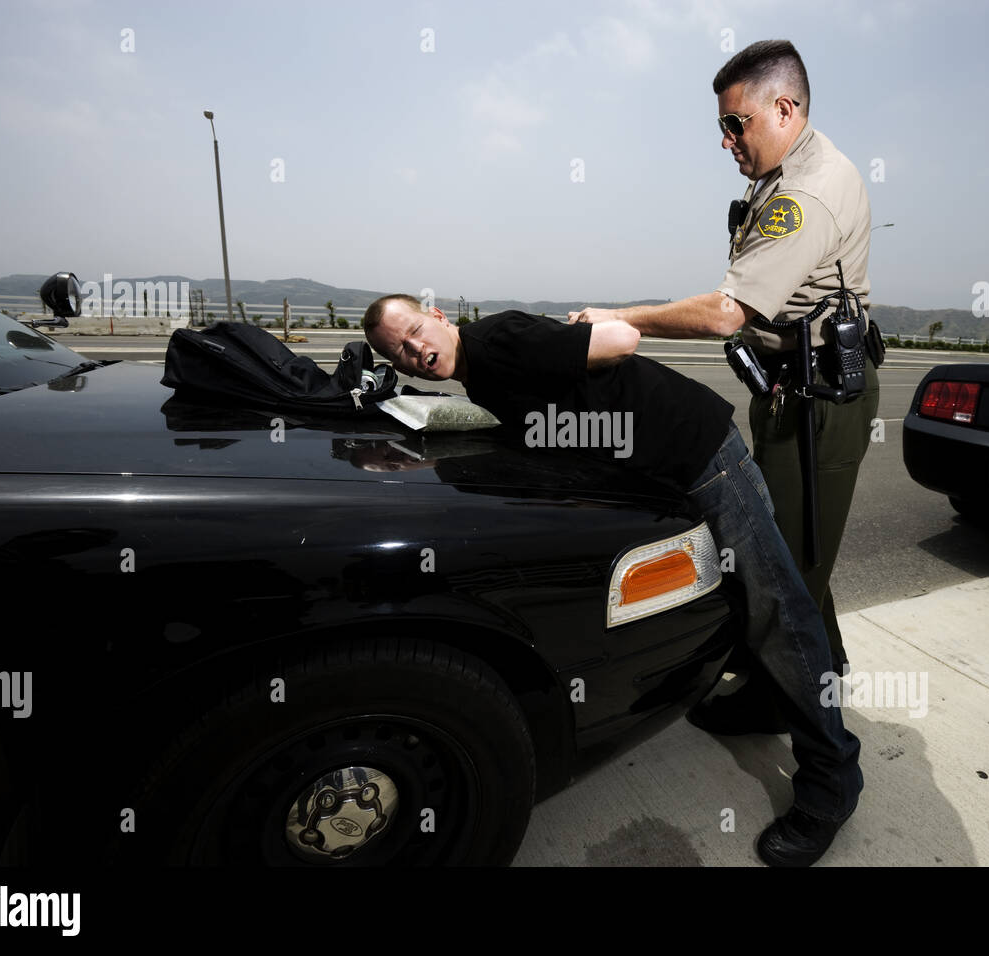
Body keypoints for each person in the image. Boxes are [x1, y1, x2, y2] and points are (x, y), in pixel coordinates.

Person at [363, 295, 862, 866]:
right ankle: (765, 707)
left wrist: (600, 320)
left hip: (700, 458)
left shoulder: (499, 341)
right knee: (739, 604)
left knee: (778, 609)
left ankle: (832, 778)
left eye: (416, 332)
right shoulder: (479, 376)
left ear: (440, 318)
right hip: (659, 475)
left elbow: (622, 342)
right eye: (399, 351)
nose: (416, 350)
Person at [568, 38, 880, 733]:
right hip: (788, 390)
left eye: (735, 123)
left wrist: (618, 317)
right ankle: (801, 685)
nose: (725, 139)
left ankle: (820, 759)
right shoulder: (775, 177)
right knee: (803, 552)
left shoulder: (807, 191)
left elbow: (724, 311)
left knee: (783, 581)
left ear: (785, 108)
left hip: (821, 404)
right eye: (722, 125)